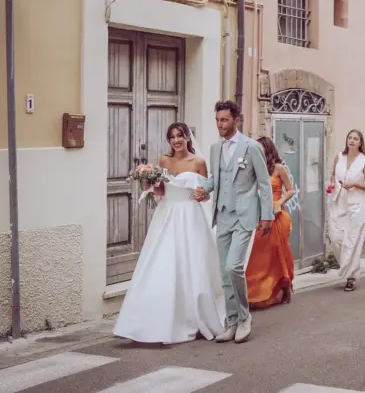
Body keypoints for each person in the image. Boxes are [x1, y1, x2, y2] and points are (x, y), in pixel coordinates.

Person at [113, 123, 225, 344]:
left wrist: (202, 195)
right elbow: (161, 190)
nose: (176, 140)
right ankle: (152, 321)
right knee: (162, 264)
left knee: (191, 265)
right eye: (172, 137)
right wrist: (147, 181)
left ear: (187, 138)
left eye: (180, 136)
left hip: (190, 216)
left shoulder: (199, 163)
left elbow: (206, 193)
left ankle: (193, 315)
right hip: (166, 215)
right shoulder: (164, 161)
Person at [193, 100, 274, 344]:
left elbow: (264, 184)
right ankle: (230, 322)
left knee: (233, 267)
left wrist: (267, 215)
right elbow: (215, 179)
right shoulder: (215, 148)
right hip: (223, 215)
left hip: (245, 215)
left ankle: (244, 317)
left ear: (236, 119)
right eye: (217, 120)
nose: (220, 124)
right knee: (224, 273)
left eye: (224, 120)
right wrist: (201, 189)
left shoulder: (251, 148)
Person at [246, 137, 296, 309]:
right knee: (258, 256)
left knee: (278, 252)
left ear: (267, 150)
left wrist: (279, 202)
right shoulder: (252, 169)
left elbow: (290, 190)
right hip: (257, 216)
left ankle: (284, 285)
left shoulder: (278, 168)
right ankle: (256, 293)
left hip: (277, 215)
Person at [329, 129, 365, 292]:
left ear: (360, 143)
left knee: (353, 241)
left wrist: (356, 184)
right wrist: (331, 185)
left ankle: (351, 277)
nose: (352, 140)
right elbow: (333, 174)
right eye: (350, 137)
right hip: (339, 202)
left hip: (358, 205)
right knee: (335, 237)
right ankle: (346, 267)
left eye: (356, 138)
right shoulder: (339, 157)